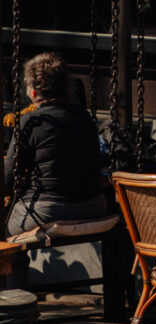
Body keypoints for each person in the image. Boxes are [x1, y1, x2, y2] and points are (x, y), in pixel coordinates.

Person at [3, 53, 106, 238]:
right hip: (93, 205)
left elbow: (7, 179)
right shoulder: (83, 116)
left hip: (48, 211)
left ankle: (19, 267)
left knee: (6, 230)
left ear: (34, 91)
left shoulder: (31, 121)